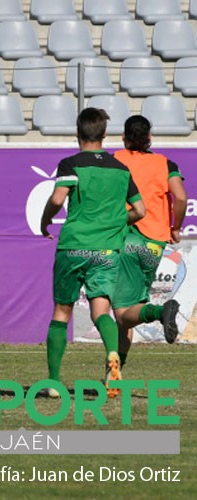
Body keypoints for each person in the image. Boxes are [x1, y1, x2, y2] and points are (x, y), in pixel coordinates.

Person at [39, 108, 146, 399]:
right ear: (104, 135)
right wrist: (113, 223)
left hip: (74, 246)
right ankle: (112, 351)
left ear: (78, 134)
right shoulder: (121, 169)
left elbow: (58, 198)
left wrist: (44, 220)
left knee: (62, 312)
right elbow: (140, 211)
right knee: (102, 310)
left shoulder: (71, 164)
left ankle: (53, 383)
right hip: (106, 250)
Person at [112, 115, 187, 364]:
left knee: (122, 314)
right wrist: (176, 228)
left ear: (124, 137)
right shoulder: (165, 163)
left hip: (126, 239)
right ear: (149, 138)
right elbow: (181, 197)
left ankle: (159, 311)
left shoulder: (117, 159)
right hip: (153, 245)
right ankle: (114, 378)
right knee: (130, 310)